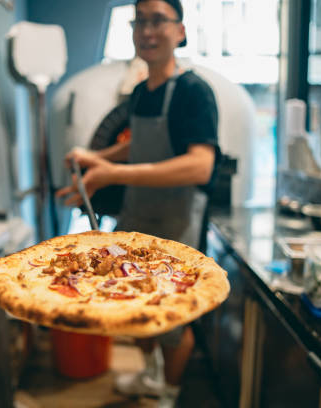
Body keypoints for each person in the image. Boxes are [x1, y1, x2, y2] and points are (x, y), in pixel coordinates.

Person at [57, 0, 219, 406]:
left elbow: (201, 166)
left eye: (157, 21)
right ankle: (150, 377)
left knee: (172, 317)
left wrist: (112, 175)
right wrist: (97, 159)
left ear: (179, 31)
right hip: (137, 217)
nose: (147, 30)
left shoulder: (194, 92)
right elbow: (137, 149)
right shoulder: (142, 93)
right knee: (135, 304)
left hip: (176, 220)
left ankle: (169, 393)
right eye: (139, 21)